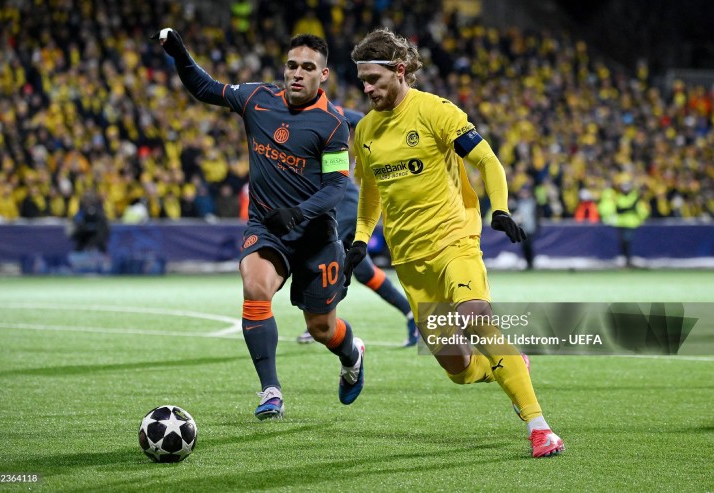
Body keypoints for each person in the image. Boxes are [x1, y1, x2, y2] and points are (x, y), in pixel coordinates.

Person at [346, 28, 564, 458]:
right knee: (459, 368)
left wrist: (500, 208)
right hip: (410, 260)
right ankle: (507, 364)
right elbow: (371, 193)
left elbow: (487, 160)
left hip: (454, 240)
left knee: (477, 316)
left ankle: (539, 427)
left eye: (374, 79)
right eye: (362, 81)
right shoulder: (366, 130)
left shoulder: (436, 111)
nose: (367, 89)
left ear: (400, 71)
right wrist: (360, 239)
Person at [153, 28, 365, 419]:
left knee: (322, 328)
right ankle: (271, 391)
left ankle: (352, 354)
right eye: (292, 65)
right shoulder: (257, 98)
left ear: (323, 75)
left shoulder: (333, 124)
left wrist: (299, 212)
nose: (297, 73)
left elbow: (337, 186)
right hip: (268, 229)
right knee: (255, 286)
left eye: (307, 67)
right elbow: (205, 88)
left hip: (316, 237)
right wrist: (179, 53)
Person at [297, 108, 418, 346]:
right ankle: (412, 313)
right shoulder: (298, 121)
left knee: (321, 256)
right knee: (364, 272)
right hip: (339, 202)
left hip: (342, 203)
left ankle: (321, 319)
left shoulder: (323, 112)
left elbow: (359, 119)